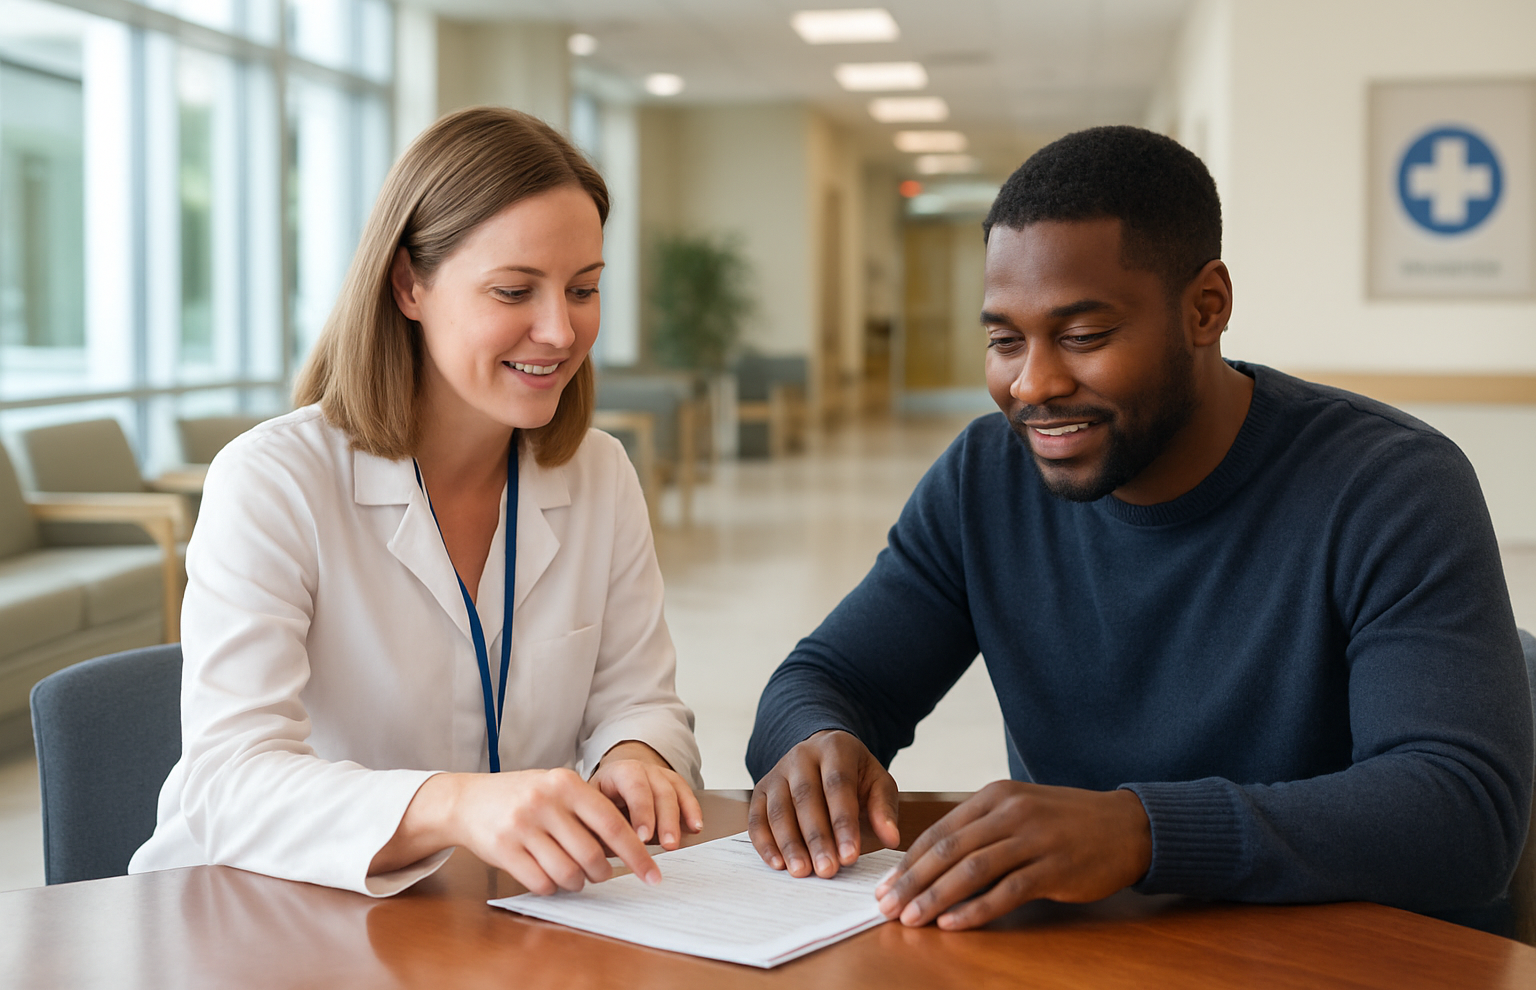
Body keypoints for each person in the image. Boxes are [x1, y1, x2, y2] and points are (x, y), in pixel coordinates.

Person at [745, 126, 1532, 935]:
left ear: (1207, 308)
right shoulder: (987, 476)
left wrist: (1141, 831)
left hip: (1352, 955)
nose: (1034, 383)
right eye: (1004, 340)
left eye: (1084, 336)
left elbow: (1460, 814)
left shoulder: (1389, 485)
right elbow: (827, 677)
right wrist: (817, 740)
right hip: (1105, 952)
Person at [131, 107, 702, 897]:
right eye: (514, 290)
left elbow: (638, 698)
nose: (560, 330)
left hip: (480, 914)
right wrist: (453, 805)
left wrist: (633, 754)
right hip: (267, 914)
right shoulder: (273, 481)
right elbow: (226, 784)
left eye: (583, 290)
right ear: (409, 285)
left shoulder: (599, 474)